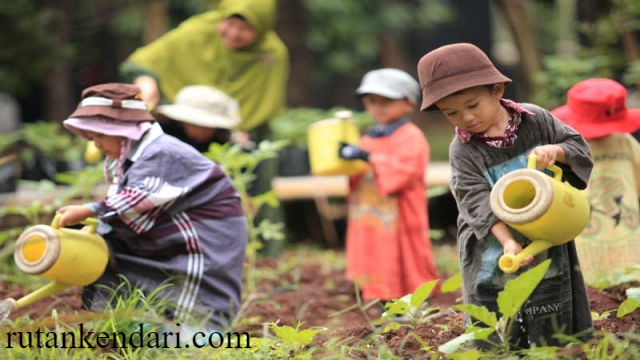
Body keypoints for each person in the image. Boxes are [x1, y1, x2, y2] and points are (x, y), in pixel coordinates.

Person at [416, 43, 594, 349]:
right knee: (495, 310)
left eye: (472, 105)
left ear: (496, 89)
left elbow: (578, 147)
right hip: (491, 240)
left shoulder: (537, 120)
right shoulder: (463, 150)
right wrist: (508, 241)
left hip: (545, 230)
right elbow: (473, 200)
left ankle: (554, 350)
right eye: (452, 113)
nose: (467, 118)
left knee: (550, 296)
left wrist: (557, 151)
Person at [55, 83, 247, 333]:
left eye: (101, 135)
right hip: (171, 227)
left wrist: (90, 209)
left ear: (123, 130)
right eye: (92, 137)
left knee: (196, 297)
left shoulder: (161, 152)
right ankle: (130, 325)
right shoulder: (135, 155)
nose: (97, 144)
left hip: (204, 237)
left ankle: (200, 335)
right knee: (118, 260)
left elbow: (141, 196)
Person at [120, 0, 289, 256]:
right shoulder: (195, 32)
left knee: (248, 187)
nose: (233, 34)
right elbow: (145, 61)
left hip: (241, 132)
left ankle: (254, 252)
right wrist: (146, 81)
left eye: (245, 29)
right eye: (229, 24)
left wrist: (241, 130)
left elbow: (266, 99)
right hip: (184, 121)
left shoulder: (272, 53)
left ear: (263, 28)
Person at [338, 68, 440, 306]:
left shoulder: (411, 136)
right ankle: (376, 295)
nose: (379, 107)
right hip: (370, 210)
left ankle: (413, 300)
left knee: (405, 254)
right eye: (373, 101)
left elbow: (404, 172)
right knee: (371, 250)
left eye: (387, 101)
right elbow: (358, 174)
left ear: (408, 103)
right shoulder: (369, 137)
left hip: (399, 213)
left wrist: (368, 157)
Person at [551, 78, 640, 286]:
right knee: (590, 283)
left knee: (631, 280)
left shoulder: (625, 142)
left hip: (626, 233)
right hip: (585, 231)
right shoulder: (564, 149)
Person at [154, 85, 242, 153]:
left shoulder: (226, 147)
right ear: (183, 121)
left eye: (209, 125)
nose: (203, 130)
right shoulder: (161, 140)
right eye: (196, 124)